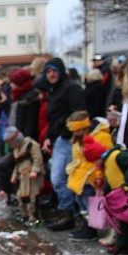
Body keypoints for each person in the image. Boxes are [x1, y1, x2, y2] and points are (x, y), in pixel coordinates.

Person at [42, 58, 87, 231]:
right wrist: (49, 135)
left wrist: (68, 133)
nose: (51, 74)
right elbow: (53, 117)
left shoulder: (71, 88)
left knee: (61, 177)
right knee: (61, 177)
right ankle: (67, 211)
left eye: (54, 71)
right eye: (48, 71)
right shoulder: (54, 90)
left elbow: (78, 113)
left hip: (68, 139)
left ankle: (68, 213)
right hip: (58, 137)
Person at [66, 114, 113, 241]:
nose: (75, 133)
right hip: (80, 175)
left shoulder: (102, 136)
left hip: (92, 176)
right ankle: (86, 226)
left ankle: (91, 229)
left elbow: (105, 156)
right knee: (81, 202)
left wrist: (100, 175)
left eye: (78, 130)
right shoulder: (78, 138)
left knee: (90, 203)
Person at [2, 126, 44, 225]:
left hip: (32, 176)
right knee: (21, 196)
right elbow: (17, 164)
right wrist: (14, 175)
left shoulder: (30, 145)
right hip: (23, 176)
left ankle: (33, 217)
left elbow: (38, 158)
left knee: (32, 197)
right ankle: (24, 214)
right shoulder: (16, 150)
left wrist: (35, 170)